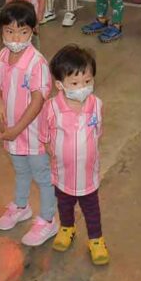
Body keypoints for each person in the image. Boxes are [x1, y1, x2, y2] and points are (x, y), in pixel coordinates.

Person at [0, 0, 57, 246]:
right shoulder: (1, 57)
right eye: (10, 31)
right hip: (11, 131)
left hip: (33, 134)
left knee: (42, 175)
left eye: (22, 31)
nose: (15, 38)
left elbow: (38, 101)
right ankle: (21, 206)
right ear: (1, 31)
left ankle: (48, 219)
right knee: (20, 170)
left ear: (33, 31)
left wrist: (17, 129)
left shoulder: (37, 63)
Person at [43, 44, 109, 265]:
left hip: (88, 172)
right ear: (59, 84)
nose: (82, 87)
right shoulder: (52, 108)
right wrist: (52, 150)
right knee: (64, 203)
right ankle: (67, 228)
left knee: (91, 208)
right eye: (75, 83)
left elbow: (98, 132)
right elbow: (45, 134)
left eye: (87, 81)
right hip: (63, 172)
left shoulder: (96, 105)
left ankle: (96, 239)